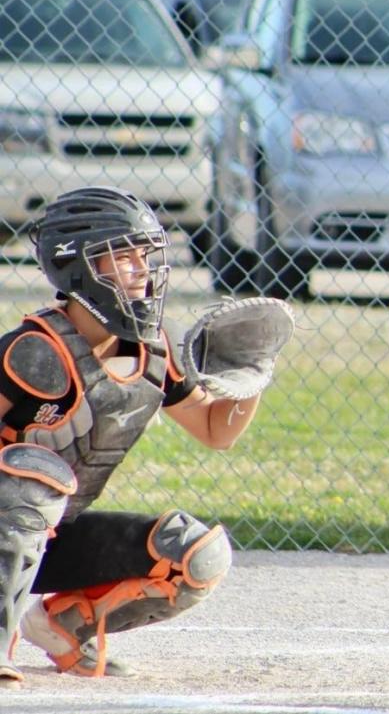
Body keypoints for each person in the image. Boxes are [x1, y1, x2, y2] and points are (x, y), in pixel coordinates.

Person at [0, 186, 265, 687]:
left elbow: (216, 431)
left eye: (145, 255)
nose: (142, 270)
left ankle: (63, 623)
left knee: (194, 554)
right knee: (32, 480)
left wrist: (248, 380)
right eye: (122, 256)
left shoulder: (151, 351)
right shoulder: (33, 351)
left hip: (47, 538)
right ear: (76, 268)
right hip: (8, 520)